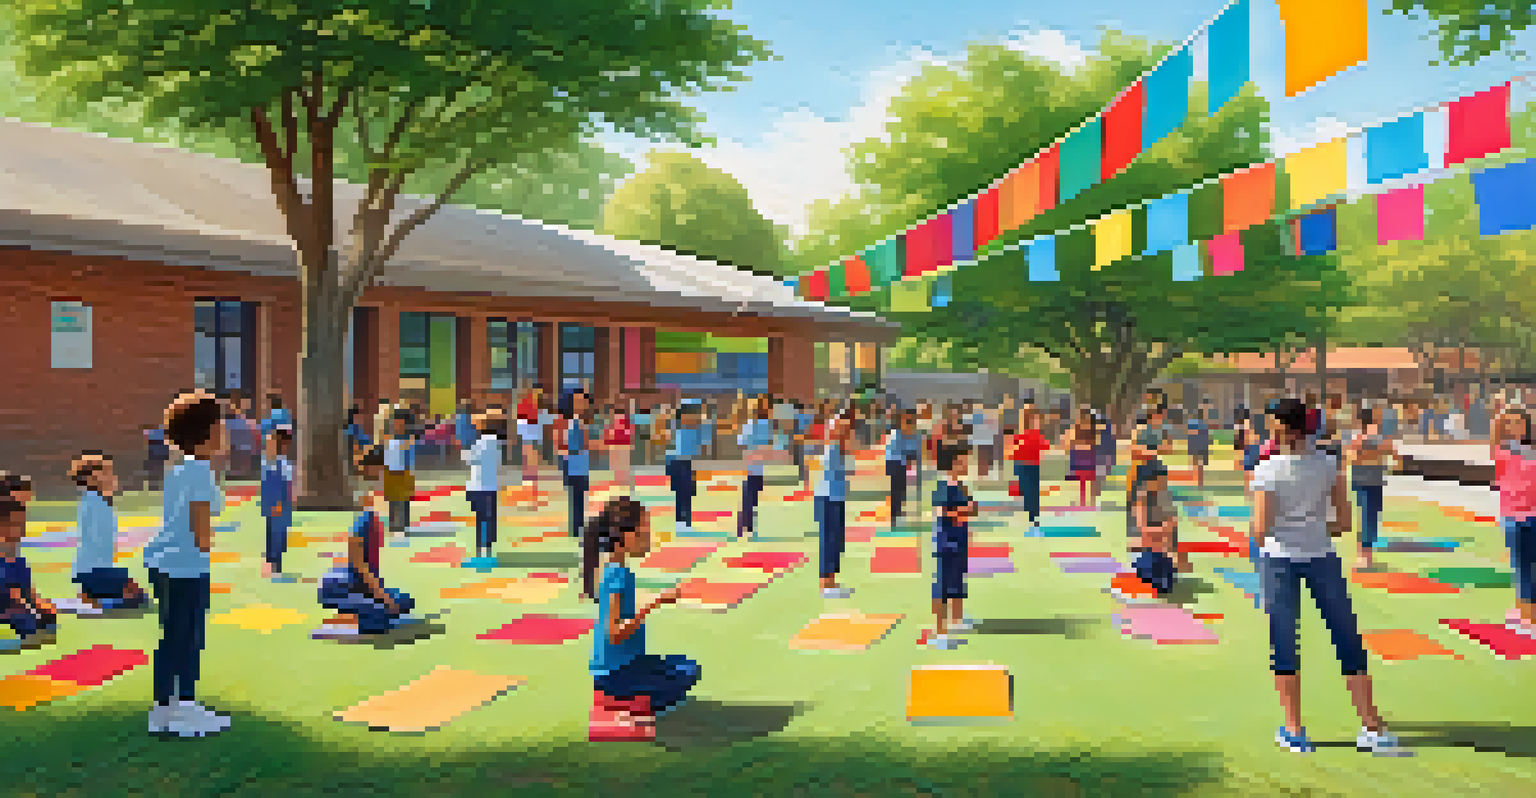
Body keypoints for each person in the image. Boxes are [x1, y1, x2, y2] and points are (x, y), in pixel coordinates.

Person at [1250, 397, 1405, 756]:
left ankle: (1294, 730)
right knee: (1347, 638)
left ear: (1282, 429)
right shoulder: (1329, 464)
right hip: (1321, 555)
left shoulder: (1267, 470)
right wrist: (1313, 525)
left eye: (1272, 425)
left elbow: (1259, 530)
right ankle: (1371, 726)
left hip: (1279, 560)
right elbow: (1344, 523)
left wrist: (1280, 527)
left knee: (1284, 643)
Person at [143, 391, 230, 737]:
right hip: (185, 566)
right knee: (189, 637)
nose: (225, 432)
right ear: (206, 433)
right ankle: (182, 708)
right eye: (220, 426)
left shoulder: (180, 468)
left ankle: (168, 708)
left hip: (166, 562)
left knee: (172, 637)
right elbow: (201, 530)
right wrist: (207, 547)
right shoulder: (199, 472)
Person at [584, 496, 700, 734]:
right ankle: (628, 713)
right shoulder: (617, 575)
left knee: (686, 665)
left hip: (627, 665)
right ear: (627, 537)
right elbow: (614, 633)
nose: (649, 540)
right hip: (615, 674)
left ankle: (629, 703)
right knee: (683, 677)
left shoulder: (614, 569)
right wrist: (654, 603)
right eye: (644, 533)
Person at [316, 445, 417, 637]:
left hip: (363, 585)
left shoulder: (375, 518)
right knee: (381, 617)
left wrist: (384, 595)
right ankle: (343, 619)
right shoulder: (362, 521)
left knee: (404, 602)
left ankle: (365, 608)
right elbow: (360, 565)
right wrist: (382, 595)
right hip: (341, 588)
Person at [67, 453, 147, 611]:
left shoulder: (99, 500)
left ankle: (90, 595)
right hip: (93, 570)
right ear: (91, 479)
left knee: (138, 595)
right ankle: (93, 601)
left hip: (98, 569)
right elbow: (97, 539)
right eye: (107, 473)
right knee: (138, 598)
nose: (113, 477)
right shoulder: (93, 501)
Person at [1491, 409, 1536, 638]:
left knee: (1531, 565)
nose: (1514, 426)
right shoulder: (1503, 449)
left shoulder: (1532, 451)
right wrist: (1501, 413)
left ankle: (1527, 616)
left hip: (1533, 515)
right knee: (1520, 565)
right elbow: (1493, 435)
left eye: (1519, 422)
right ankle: (1525, 616)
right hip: (1511, 515)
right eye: (1510, 423)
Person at [930, 442, 977, 650]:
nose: (967, 464)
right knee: (942, 586)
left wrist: (969, 510)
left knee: (958, 581)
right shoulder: (944, 485)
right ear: (953, 463)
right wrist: (962, 512)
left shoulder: (961, 485)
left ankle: (957, 619)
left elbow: (972, 507)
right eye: (964, 460)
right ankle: (940, 633)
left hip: (959, 541)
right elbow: (941, 513)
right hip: (946, 543)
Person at [1, 473, 57, 642]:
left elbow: (28, 592)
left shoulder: (17, 559)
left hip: (13, 598)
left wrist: (41, 606)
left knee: (43, 622)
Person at [1346, 409, 1394, 572]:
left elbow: (1390, 454)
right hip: (1364, 482)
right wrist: (1374, 453)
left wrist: (1369, 453)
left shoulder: (1376, 438)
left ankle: (1366, 556)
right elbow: (1353, 458)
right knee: (1368, 519)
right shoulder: (1358, 438)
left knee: (1370, 519)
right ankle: (1364, 557)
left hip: (1373, 481)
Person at [1129, 461, 1179, 597]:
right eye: (1160, 480)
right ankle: (1143, 569)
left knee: (1168, 581)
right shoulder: (1141, 500)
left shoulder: (1164, 499)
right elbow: (1142, 530)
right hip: (1145, 550)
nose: (1162, 483)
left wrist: (1172, 552)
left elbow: (1172, 531)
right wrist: (1164, 528)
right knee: (1159, 582)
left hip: (1160, 550)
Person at [817, 414, 854, 599]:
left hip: (837, 497)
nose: (845, 432)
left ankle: (831, 582)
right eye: (841, 428)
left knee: (837, 541)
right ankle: (825, 585)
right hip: (829, 498)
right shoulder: (833, 449)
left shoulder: (839, 449)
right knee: (829, 541)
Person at [660, 401, 710, 537]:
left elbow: (705, 446)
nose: (693, 416)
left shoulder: (700, 429)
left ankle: (685, 522)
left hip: (687, 463)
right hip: (675, 462)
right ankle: (680, 522)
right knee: (681, 492)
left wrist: (703, 419)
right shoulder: (676, 426)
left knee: (688, 492)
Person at [463, 410, 506, 564]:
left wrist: (465, 451)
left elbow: (468, 459)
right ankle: (487, 548)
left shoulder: (480, 443)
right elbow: (498, 464)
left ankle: (480, 549)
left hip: (478, 486)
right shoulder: (497, 444)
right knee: (489, 519)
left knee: (480, 519)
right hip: (490, 487)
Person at [559, 390, 601, 541]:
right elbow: (566, 444)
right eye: (578, 401)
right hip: (572, 465)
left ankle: (579, 527)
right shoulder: (568, 421)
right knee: (576, 497)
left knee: (580, 497)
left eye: (583, 401)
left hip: (581, 465)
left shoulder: (584, 421)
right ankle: (577, 528)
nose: (581, 404)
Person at [259, 426, 295, 580]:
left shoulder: (279, 462)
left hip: (278, 502)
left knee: (277, 533)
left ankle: (275, 564)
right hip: (277, 502)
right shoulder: (274, 462)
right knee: (275, 533)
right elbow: (276, 483)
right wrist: (278, 502)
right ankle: (274, 565)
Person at [737, 396, 774, 539]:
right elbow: (742, 441)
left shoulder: (764, 424)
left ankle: (748, 525)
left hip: (759, 465)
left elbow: (767, 443)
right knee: (750, 495)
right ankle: (745, 526)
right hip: (752, 464)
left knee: (753, 495)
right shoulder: (753, 424)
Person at [1007, 410, 1050, 527]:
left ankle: (1033, 515)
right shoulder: (1021, 436)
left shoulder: (1035, 435)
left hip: (1032, 466)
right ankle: (1031, 514)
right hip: (1023, 465)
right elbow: (1012, 451)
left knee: (1033, 491)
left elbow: (1045, 446)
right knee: (1028, 490)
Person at [383, 409, 418, 537]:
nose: (397, 425)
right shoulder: (389, 438)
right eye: (395, 422)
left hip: (404, 472)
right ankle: (393, 525)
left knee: (403, 500)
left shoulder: (408, 439)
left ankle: (403, 525)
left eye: (400, 422)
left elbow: (410, 457)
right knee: (393, 500)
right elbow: (386, 455)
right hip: (390, 472)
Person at [884, 410, 921, 524]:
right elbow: (891, 453)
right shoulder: (896, 434)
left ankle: (897, 514)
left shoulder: (913, 435)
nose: (909, 424)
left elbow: (914, 453)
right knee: (896, 491)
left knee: (901, 490)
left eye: (911, 421)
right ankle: (895, 516)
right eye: (907, 421)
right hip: (895, 464)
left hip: (902, 465)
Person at [1063, 410, 1099, 508]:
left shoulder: (1091, 429)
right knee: (1083, 479)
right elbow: (1072, 441)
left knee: (1091, 478)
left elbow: (1094, 442)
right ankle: (1084, 500)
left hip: (1089, 454)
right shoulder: (1078, 428)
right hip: (1081, 454)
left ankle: (1092, 500)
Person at [605, 401, 636, 492]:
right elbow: (611, 432)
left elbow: (629, 431)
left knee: (623, 464)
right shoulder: (615, 420)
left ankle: (625, 483)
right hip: (617, 444)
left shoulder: (624, 420)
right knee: (617, 465)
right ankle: (620, 482)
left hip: (622, 444)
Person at [1187, 406, 1212, 489]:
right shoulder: (1198, 424)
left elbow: (1205, 436)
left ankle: (1198, 482)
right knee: (1197, 464)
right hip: (1198, 445)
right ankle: (1198, 481)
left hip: (1199, 445)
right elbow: (1191, 434)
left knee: (1198, 464)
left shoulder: (1202, 424)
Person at [143, 423, 171, 492]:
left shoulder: (159, 430)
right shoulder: (156, 430)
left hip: (158, 451)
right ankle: (155, 487)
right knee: (155, 470)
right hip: (156, 451)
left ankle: (155, 487)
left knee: (157, 470)